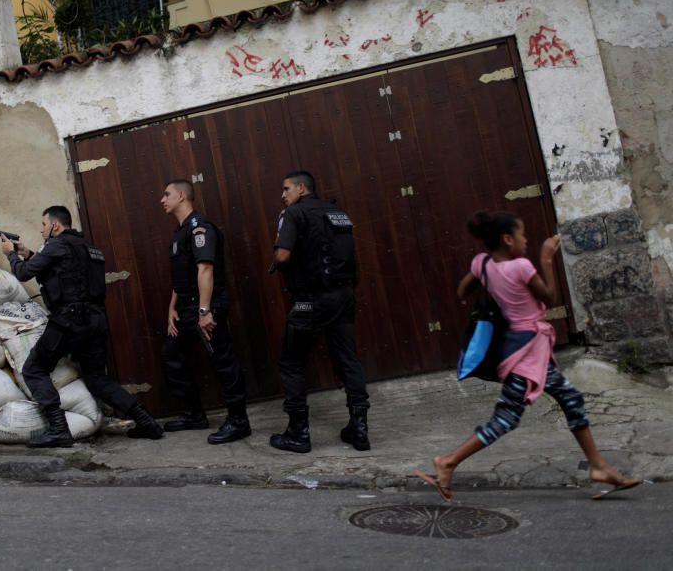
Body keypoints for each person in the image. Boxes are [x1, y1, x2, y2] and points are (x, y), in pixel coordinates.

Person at [416, 211, 640, 502]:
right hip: (525, 352)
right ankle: (448, 461)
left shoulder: (481, 263)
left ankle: (598, 466)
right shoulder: (521, 267)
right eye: (522, 236)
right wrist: (546, 258)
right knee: (506, 418)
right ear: (508, 240)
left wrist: (493, 288)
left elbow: (462, 290)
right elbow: (550, 298)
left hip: (527, 348)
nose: (526, 240)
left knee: (571, 399)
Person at [1, 206, 164, 448]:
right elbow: (63, 269)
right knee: (97, 378)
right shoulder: (89, 248)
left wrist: (11, 255)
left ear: (55, 225)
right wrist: (29, 253)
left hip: (69, 320)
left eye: (44, 224)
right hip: (95, 320)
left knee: (34, 368)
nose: (41, 229)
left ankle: (58, 429)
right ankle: (146, 420)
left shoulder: (56, 245)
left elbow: (24, 274)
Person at [269, 170, 370, 454]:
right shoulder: (337, 214)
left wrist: (278, 260)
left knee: (291, 362)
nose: (283, 194)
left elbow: (283, 255)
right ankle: (359, 429)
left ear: (301, 188)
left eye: (286, 188)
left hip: (309, 300)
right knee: (348, 359)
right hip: (342, 295)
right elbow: (352, 258)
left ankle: (298, 433)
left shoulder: (293, 213)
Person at [160, 180, 250, 444]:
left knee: (223, 362)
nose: (162, 200)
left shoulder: (200, 228)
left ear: (181, 196)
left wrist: (204, 310)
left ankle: (238, 421)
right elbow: (182, 275)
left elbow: (205, 269)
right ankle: (193, 415)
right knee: (172, 357)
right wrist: (171, 308)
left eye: (166, 194)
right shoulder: (180, 233)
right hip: (185, 309)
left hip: (205, 308)